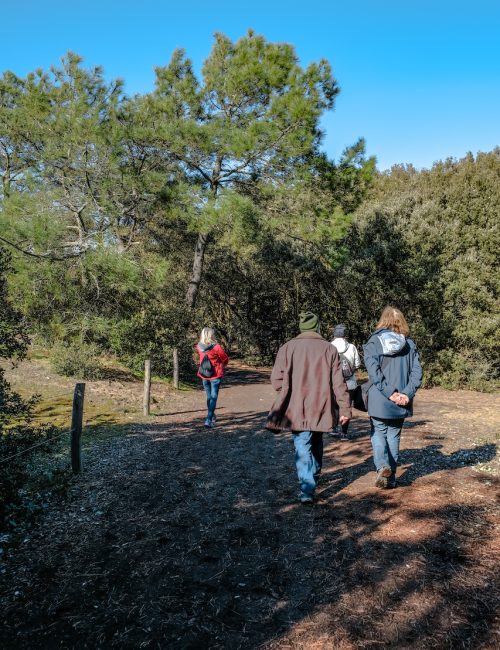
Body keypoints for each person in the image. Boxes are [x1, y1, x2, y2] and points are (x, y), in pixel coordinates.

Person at [266, 311, 351, 504]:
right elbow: (339, 383)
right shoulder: (329, 349)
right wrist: (345, 409)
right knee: (316, 440)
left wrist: (288, 389)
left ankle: (307, 488)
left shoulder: (287, 348)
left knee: (302, 443)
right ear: (317, 327)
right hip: (322, 405)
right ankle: (313, 476)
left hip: (297, 405)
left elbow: (276, 380)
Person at [363, 306, 423, 489]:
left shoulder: (374, 342)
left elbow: (374, 373)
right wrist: (406, 393)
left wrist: (390, 393)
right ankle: (391, 478)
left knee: (379, 432)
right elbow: (417, 371)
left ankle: (382, 466)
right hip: (401, 401)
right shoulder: (409, 344)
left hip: (379, 398)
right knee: (393, 436)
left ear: (383, 320)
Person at [330, 323, 361, 440]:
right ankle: (344, 433)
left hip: (334, 383)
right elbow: (357, 364)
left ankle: (334, 429)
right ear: (345, 334)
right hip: (350, 383)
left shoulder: (329, 346)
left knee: (335, 407)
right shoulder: (352, 347)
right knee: (346, 406)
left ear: (334, 334)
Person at [195, 327, 229, 428]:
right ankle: (208, 419)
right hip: (215, 374)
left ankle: (212, 415)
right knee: (213, 397)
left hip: (204, 374)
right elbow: (224, 358)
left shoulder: (198, 346)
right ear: (211, 335)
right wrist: (224, 364)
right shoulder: (216, 347)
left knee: (209, 396)